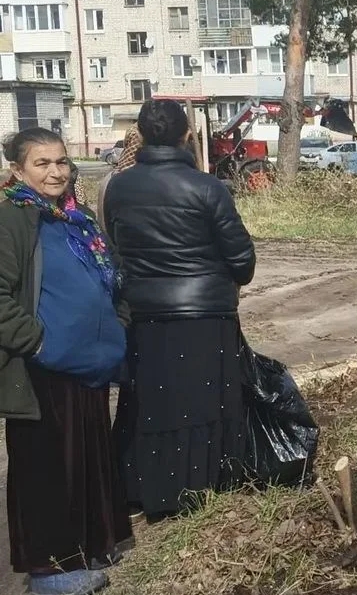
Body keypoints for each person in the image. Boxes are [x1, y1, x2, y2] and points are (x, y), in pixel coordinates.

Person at [103, 99, 256, 519]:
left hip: (144, 315)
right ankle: (204, 487)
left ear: (139, 135)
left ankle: (143, 489)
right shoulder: (207, 188)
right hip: (204, 315)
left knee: (152, 403)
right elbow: (242, 260)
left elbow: (115, 246)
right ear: (188, 135)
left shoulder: (117, 187)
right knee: (204, 403)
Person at [0, 127, 132, 595]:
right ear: (17, 170)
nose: (56, 172)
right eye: (42, 163)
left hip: (87, 364)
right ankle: (49, 567)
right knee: (45, 466)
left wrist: (116, 325)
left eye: (61, 162)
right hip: (42, 369)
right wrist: (38, 344)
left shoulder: (76, 217)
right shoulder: (12, 219)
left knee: (86, 458)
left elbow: (111, 277)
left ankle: (90, 545)